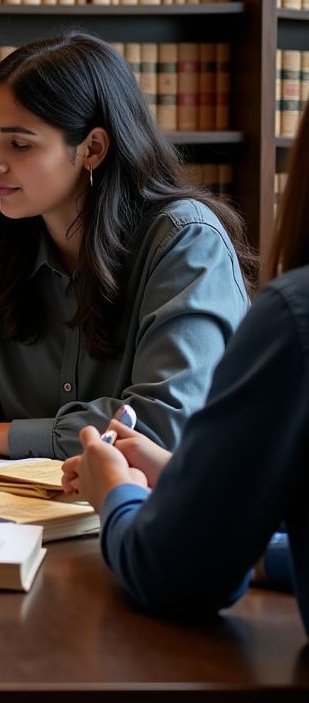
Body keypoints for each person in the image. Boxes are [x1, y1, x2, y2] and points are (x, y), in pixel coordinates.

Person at [0, 32, 254, 460]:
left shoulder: (186, 243)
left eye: (19, 144)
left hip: (148, 514)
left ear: (92, 148)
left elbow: (162, 426)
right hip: (9, 514)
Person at [62, 97, 309, 635]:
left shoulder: (295, 313)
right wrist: (182, 478)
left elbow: (174, 575)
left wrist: (114, 493)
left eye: (18, 141)